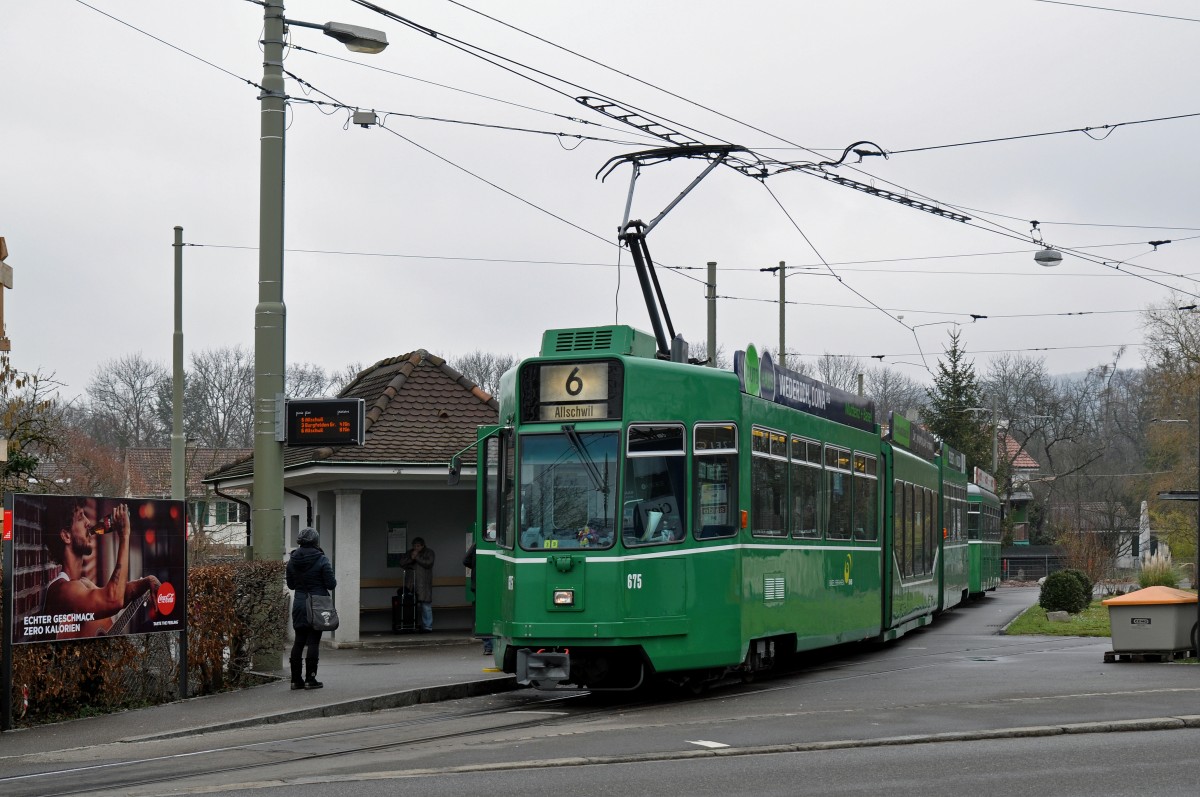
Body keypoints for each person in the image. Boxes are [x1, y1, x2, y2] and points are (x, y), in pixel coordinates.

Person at [42, 498, 160, 639]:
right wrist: (124, 535)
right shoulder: (62, 590)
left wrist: (147, 581)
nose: (89, 523)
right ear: (66, 536)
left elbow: (118, 594)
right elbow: (113, 599)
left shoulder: (82, 584)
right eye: (80, 517)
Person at [286, 527, 337, 690]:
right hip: (317, 603)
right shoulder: (322, 559)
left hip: (300, 602)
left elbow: (291, 584)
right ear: (316, 541)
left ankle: (295, 680)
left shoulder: (292, 560)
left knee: (299, 641)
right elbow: (331, 584)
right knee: (313, 641)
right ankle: (311, 679)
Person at [399, 536, 435, 632]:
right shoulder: (409, 552)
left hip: (424, 583)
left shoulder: (429, 552)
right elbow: (402, 563)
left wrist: (417, 557)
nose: (416, 548)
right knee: (409, 604)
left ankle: (427, 626)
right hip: (410, 583)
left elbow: (429, 563)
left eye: (418, 546)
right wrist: (411, 558)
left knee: (425, 605)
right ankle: (410, 625)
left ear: (423, 546)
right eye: (414, 546)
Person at [462, 543, 493, 655]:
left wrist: (476, 567)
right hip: (497, 583)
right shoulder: (503, 541)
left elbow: (465, 560)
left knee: (482, 613)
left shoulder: (478, 544)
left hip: (479, 582)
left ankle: (488, 646)